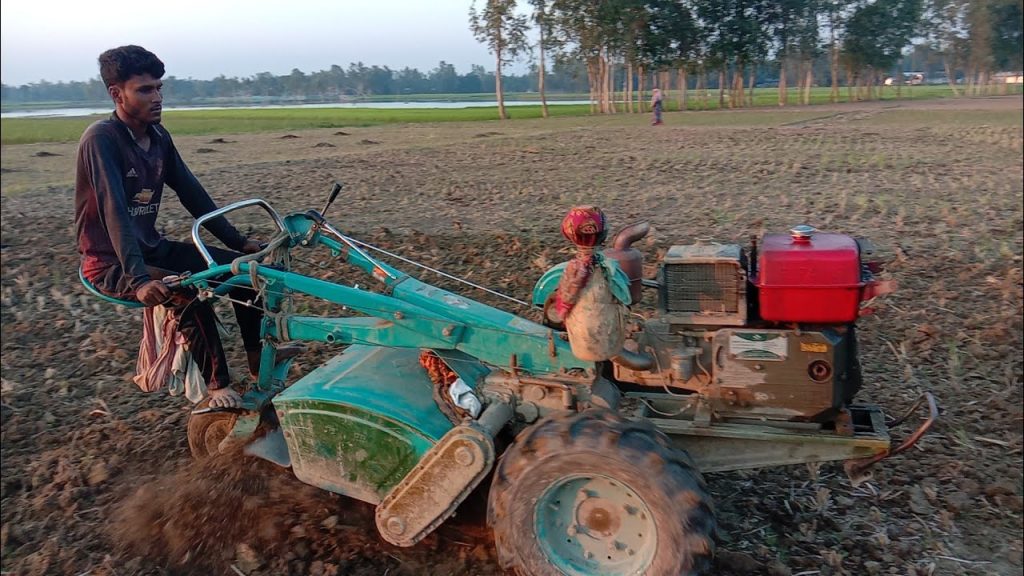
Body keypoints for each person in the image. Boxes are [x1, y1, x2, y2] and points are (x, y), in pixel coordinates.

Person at [75, 45, 263, 409]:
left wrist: (239, 242)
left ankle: (259, 364)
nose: (157, 97)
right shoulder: (102, 139)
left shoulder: (159, 137)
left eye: (160, 88)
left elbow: (193, 193)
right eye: (145, 90)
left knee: (246, 274)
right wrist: (140, 280)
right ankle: (218, 387)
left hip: (151, 249)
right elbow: (114, 211)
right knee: (185, 293)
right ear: (117, 94)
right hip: (111, 263)